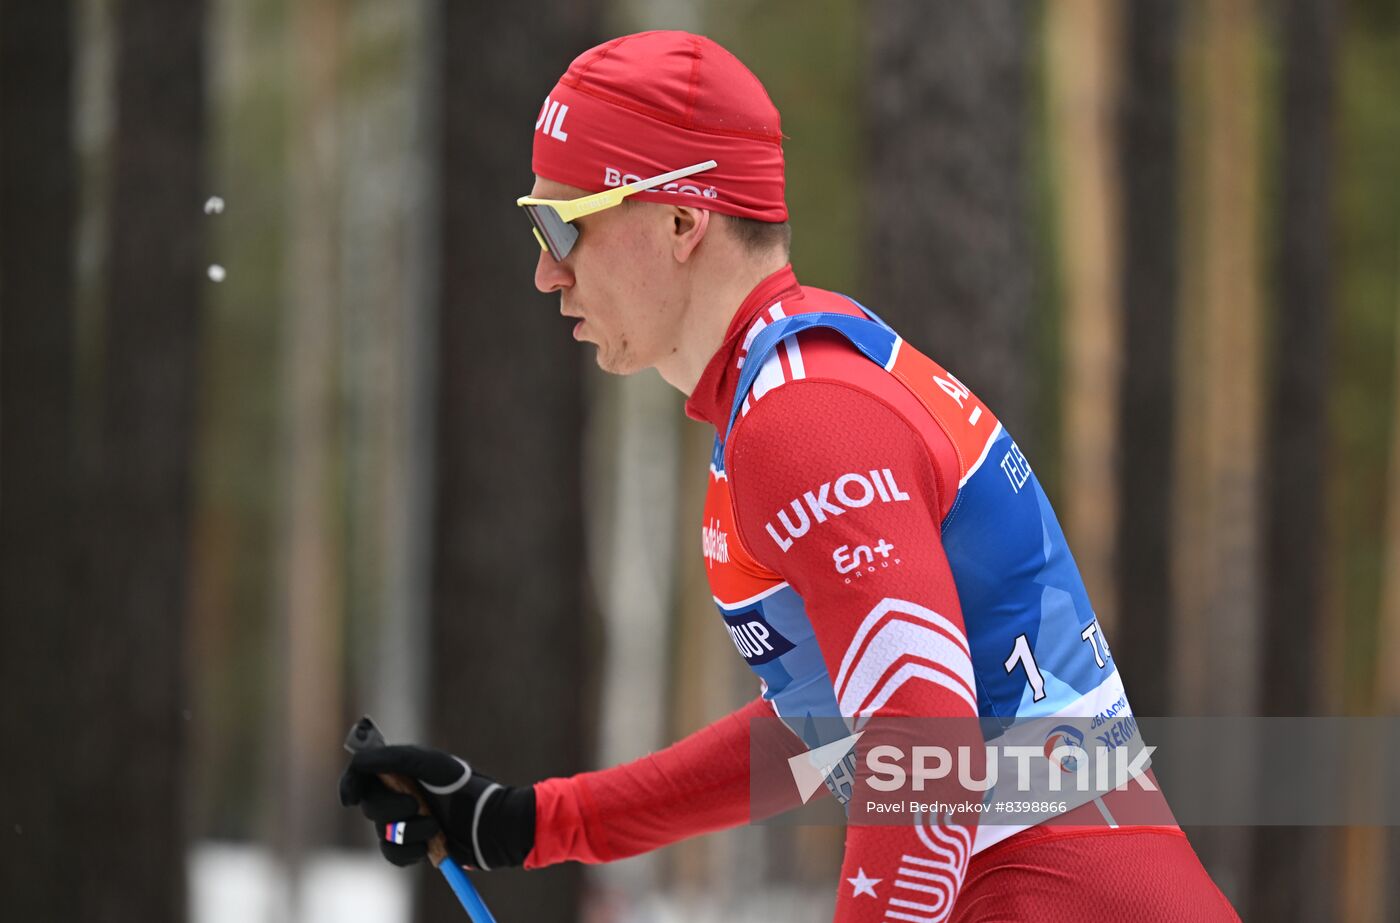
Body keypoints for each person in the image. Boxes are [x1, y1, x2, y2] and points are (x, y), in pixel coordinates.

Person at [339, 30, 1240, 922]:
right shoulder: (793, 389)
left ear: (682, 220)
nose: (546, 273)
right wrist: (530, 821)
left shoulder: (803, 419)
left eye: (561, 224)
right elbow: (830, 729)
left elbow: (925, 754)